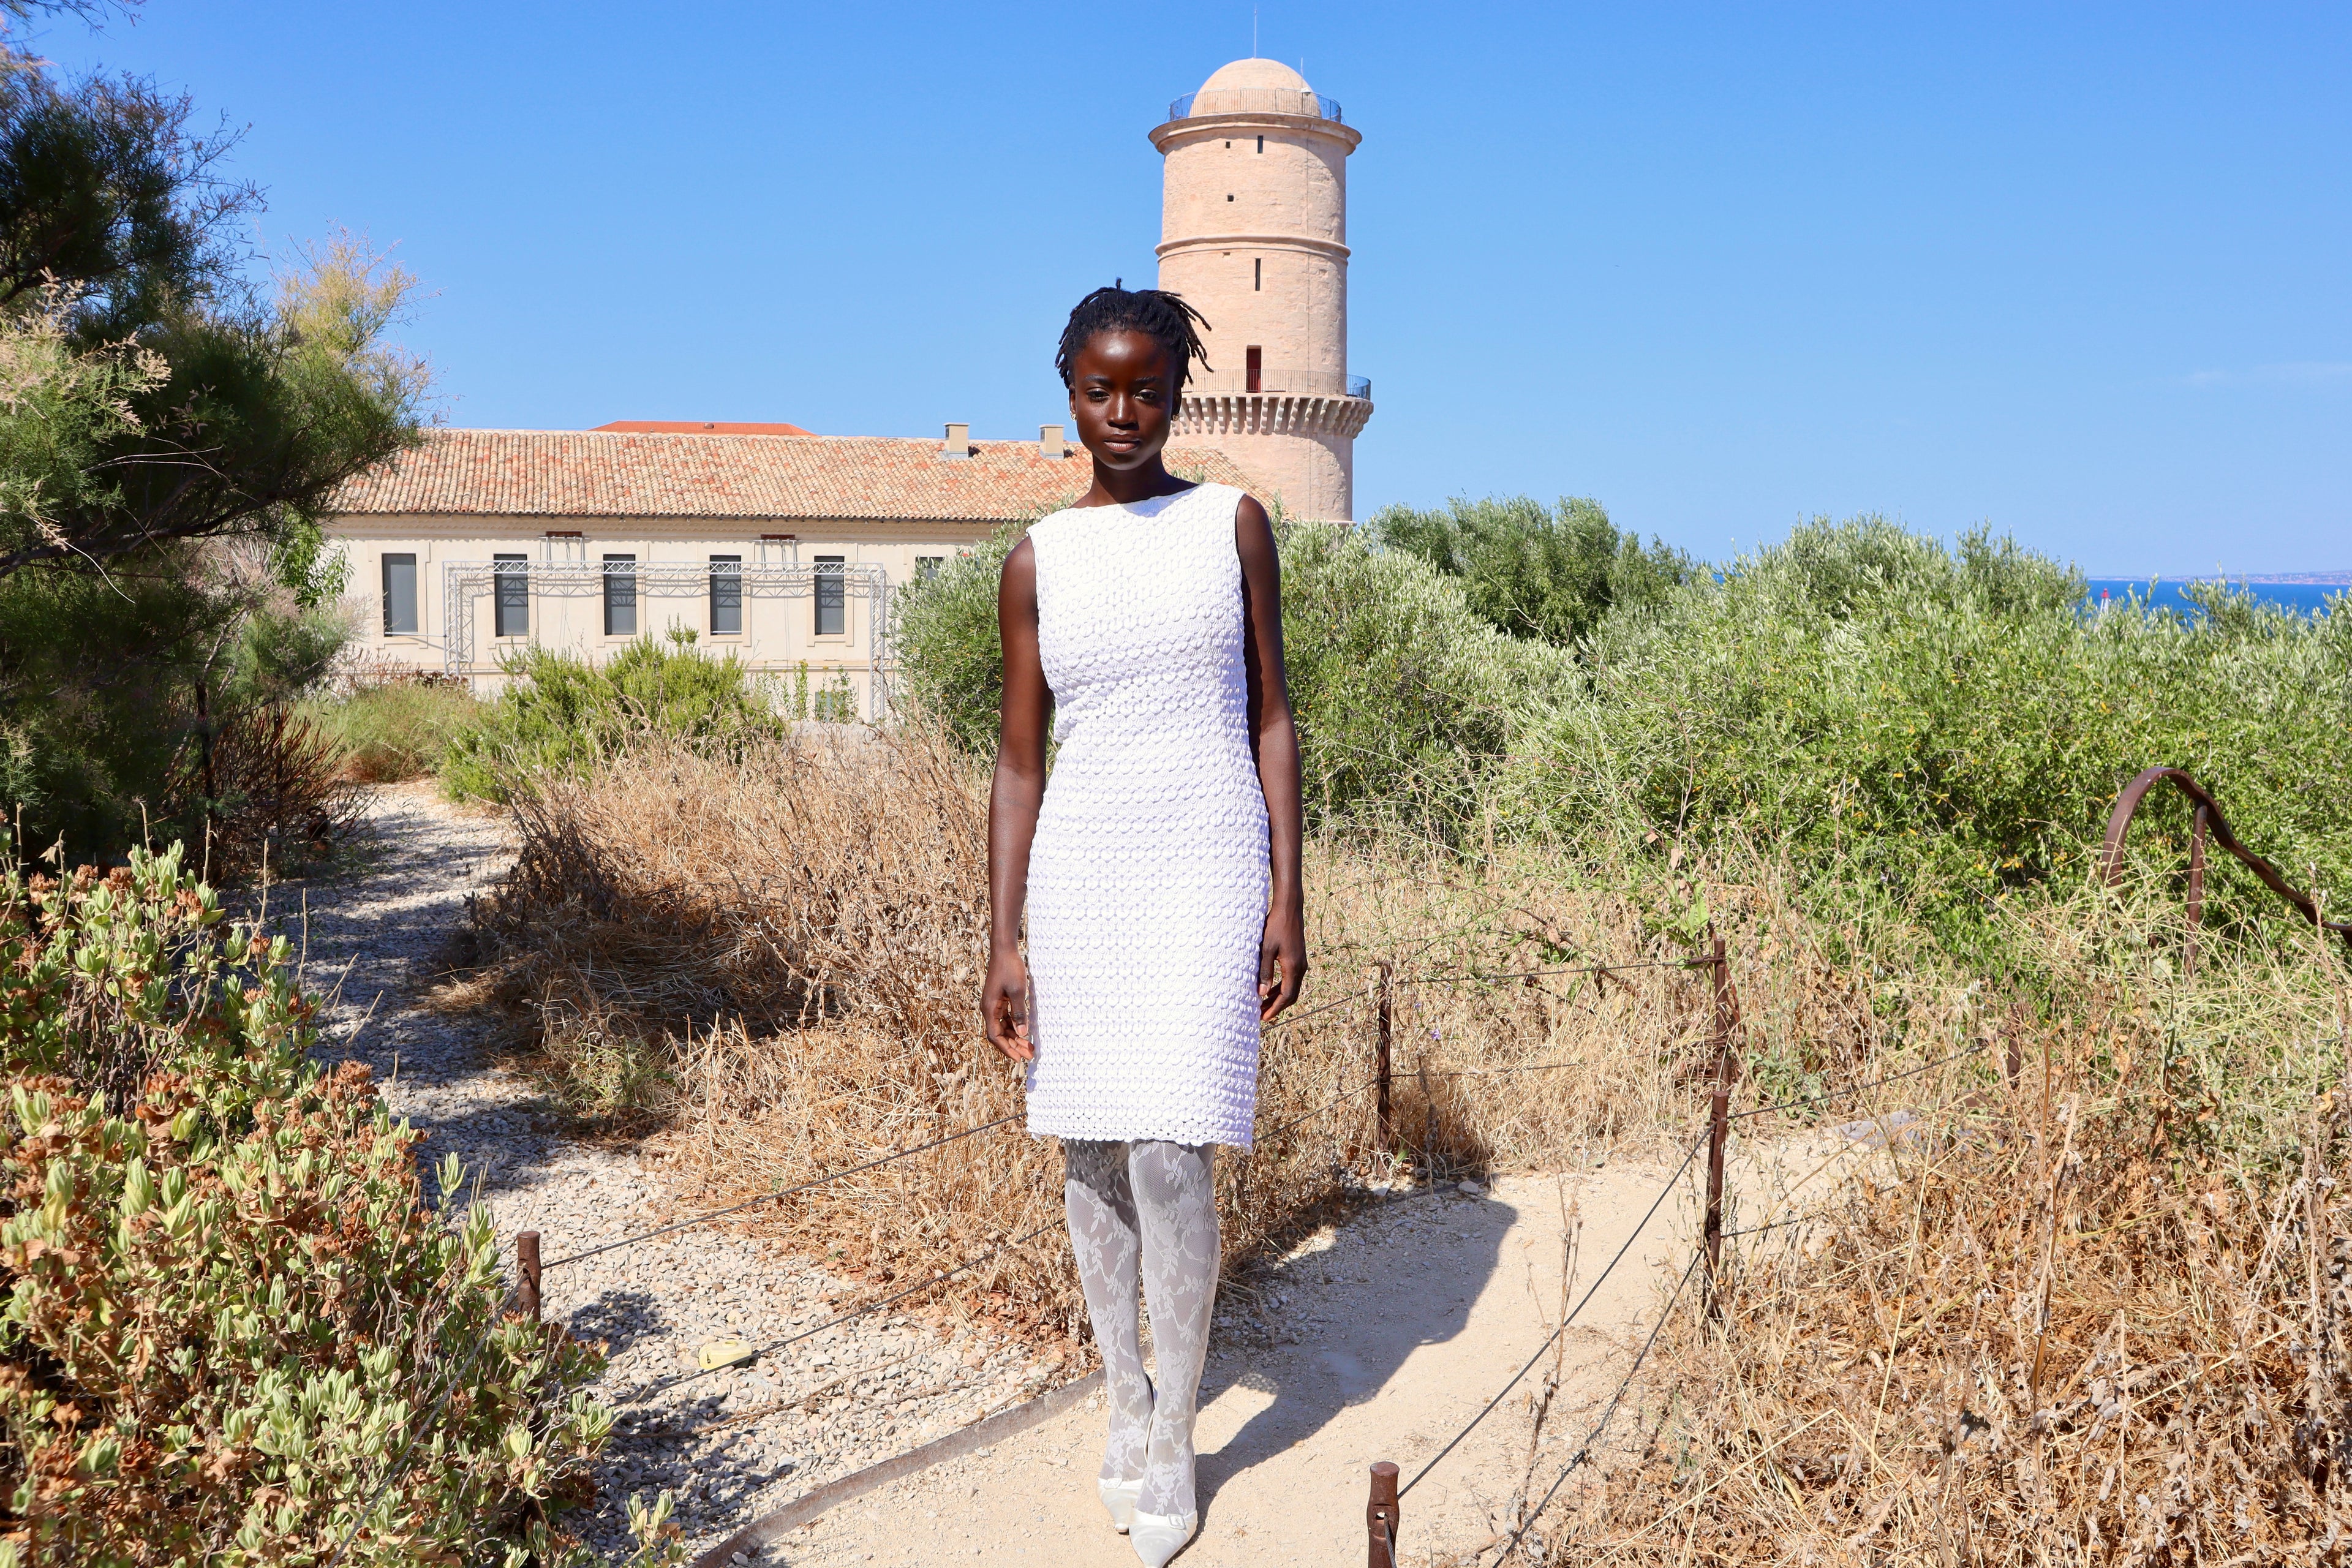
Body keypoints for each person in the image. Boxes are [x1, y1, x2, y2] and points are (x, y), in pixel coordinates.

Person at [982, 284, 1307, 1565]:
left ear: (1178, 394)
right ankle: (1124, 1394)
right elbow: (1020, 762)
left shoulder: (1234, 524)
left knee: (1173, 1149)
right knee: (1089, 1151)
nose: (1123, 412)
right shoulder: (1037, 559)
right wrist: (1002, 939)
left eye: (1148, 390)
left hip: (1209, 857)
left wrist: (1289, 891)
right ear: (1069, 392)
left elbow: (1272, 715)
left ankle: (1176, 1430)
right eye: (1099, 390)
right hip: (1083, 870)